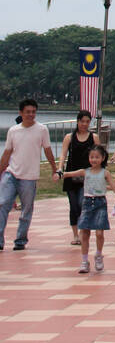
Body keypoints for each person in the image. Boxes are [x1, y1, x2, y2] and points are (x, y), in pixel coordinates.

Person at [0, 98, 60, 250]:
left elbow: (47, 150)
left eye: (33, 112)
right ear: (21, 113)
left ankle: (20, 240)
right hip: (11, 174)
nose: (31, 115)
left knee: (26, 209)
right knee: (2, 204)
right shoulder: (13, 131)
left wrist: (55, 169)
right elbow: (7, 153)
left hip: (29, 177)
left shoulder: (41, 130)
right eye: (28, 112)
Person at [64, 143, 115, 274]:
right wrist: (60, 174)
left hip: (100, 203)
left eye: (97, 157)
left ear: (103, 157)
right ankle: (84, 261)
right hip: (87, 203)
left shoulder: (105, 173)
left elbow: (114, 188)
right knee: (85, 234)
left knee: (99, 233)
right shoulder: (85, 171)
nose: (94, 159)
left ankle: (99, 255)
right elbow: (70, 174)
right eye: (92, 157)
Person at [59, 110, 95, 245]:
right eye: (82, 121)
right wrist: (60, 168)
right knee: (73, 205)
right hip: (70, 175)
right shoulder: (69, 137)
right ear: (78, 121)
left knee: (82, 204)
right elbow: (63, 154)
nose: (84, 124)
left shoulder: (93, 137)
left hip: (87, 176)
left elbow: (99, 156)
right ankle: (75, 235)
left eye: (87, 121)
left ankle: (82, 232)